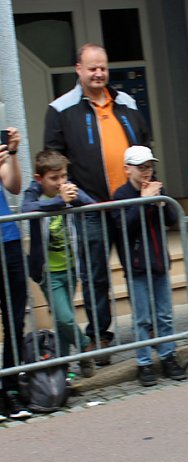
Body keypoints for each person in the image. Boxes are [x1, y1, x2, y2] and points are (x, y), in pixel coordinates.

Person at [44, 43, 151, 364]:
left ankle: (148, 332)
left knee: (140, 269)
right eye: (92, 68)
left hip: (130, 203)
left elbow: (146, 146)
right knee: (95, 276)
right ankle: (100, 336)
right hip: (90, 208)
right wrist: (71, 192)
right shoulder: (60, 109)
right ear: (78, 69)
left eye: (103, 67)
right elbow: (53, 160)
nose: (98, 73)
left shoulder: (127, 102)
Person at [112, 146, 187, 386]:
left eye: (150, 167)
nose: (147, 172)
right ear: (127, 170)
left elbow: (172, 220)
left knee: (164, 314)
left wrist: (160, 202)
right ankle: (144, 362)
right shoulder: (121, 195)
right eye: (141, 167)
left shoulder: (158, 189)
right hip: (136, 265)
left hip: (158, 261)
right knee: (142, 318)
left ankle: (168, 356)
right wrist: (144, 202)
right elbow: (123, 226)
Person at [22, 150, 96, 379]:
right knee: (65, 318)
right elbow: (27, 210)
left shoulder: (70, 189)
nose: (61, 182)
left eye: (64, 176)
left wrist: (76, 197)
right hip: (48, 271)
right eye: (54, 178)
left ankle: (64, 371)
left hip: (71, 267)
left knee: (64, 320)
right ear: (39, 179)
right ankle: (84, 347)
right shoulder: (34, 195)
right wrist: (58, 201)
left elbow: (92, 203)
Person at [0, 127, 31, 420]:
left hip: (7, 239)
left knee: (15, 319)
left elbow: (14, 186)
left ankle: (9, 387)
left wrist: (12, 153)